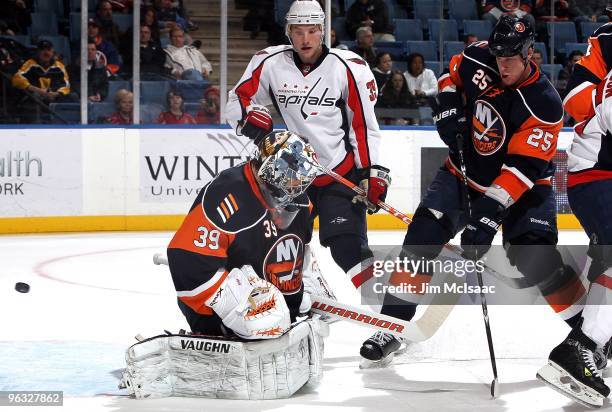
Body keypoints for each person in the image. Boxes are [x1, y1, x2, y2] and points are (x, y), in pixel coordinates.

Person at [360, 16, 584, 366]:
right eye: (498, 57)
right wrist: (448, 104)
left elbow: (522, 169)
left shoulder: (544, 103)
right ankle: (391, 325)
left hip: (525, 188)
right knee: (421, 238)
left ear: (530, 55)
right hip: (462, 175)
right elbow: (452, 74)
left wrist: (487, 217)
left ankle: (587, 333)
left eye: (511, 58)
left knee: (534, 258)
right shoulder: (480, 56)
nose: (502, 64)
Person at [123, 131, 328, 400]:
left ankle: (281, 309)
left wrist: (296, 292)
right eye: (291, 176)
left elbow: (299, 245)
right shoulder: (227, 193)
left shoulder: (299, 198)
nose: (296, 185)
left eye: (301, 178)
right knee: (269, 318)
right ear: (272, 168)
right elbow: (187, 261)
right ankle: (224, 331)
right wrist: (244, 306)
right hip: (222, 295)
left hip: (265, 282)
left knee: (293, 307)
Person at [226, 0, 389, 312]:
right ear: (289, 32)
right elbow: (236, 101)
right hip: (290, 177)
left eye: (312, 31)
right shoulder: (270, 62)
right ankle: (308, 283)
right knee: (276, 247)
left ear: (323, 31)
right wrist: (249, 116)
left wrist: (369, 172)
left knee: (346, 246)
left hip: (337, 173)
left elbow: (363, 126)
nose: (306, 39)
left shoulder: (348, 67)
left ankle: (386, 308)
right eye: (298, 31)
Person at [536, 22, 612, 408]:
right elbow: (577, 102)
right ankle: (581, 346)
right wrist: (604, 93)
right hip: (596, 173)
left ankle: (595, 338)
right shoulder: (607, 40)